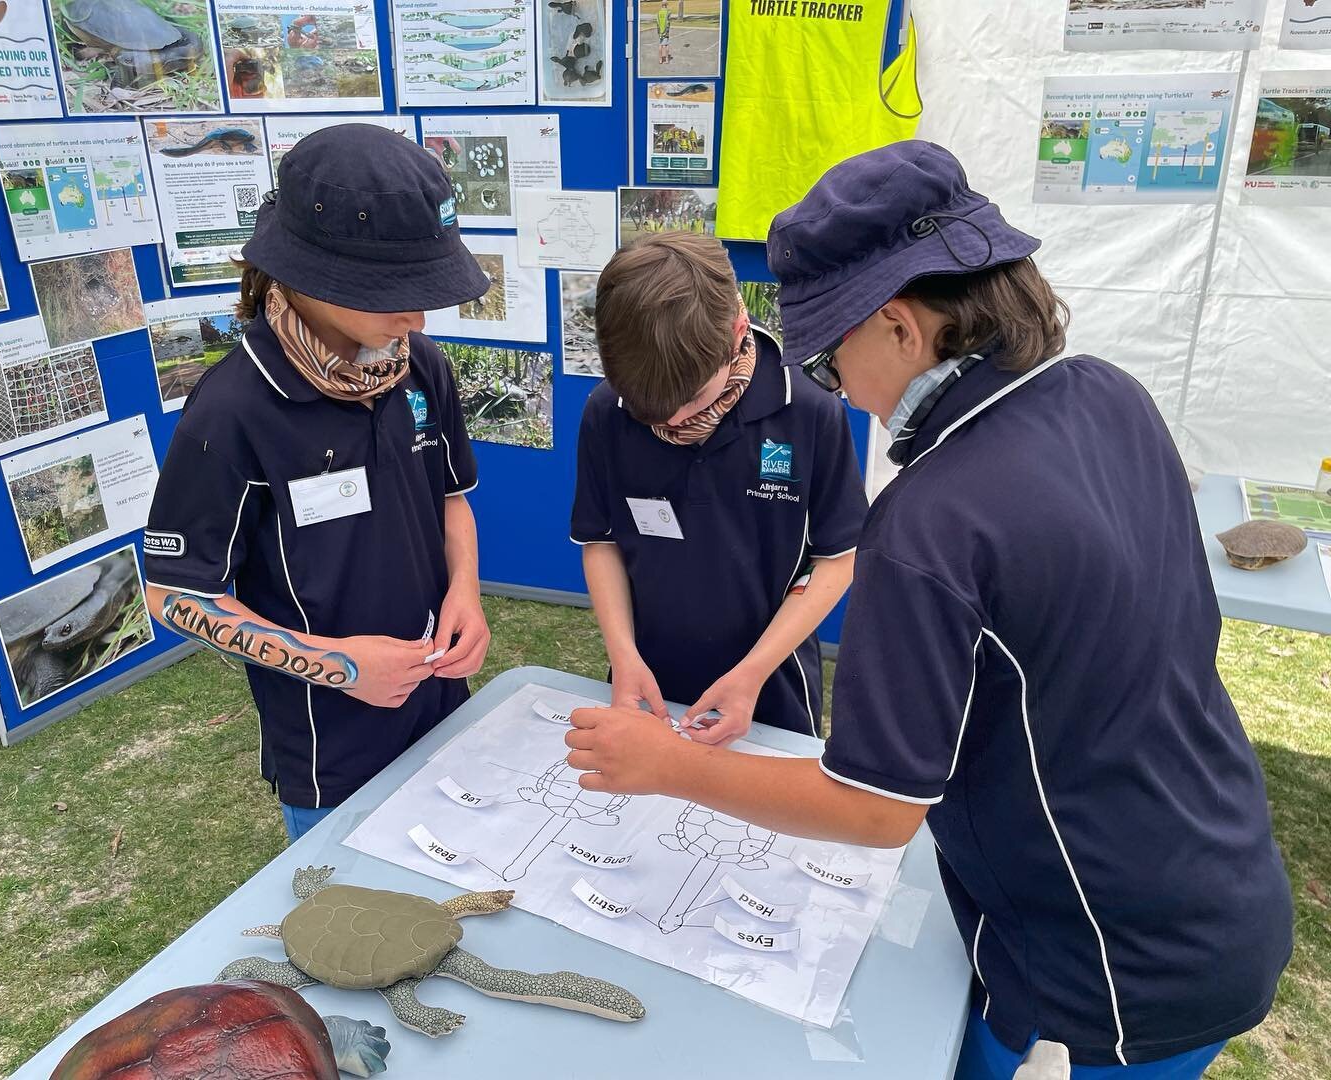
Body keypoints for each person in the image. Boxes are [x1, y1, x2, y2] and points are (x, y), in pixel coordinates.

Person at [563, 142, 1292, 1078]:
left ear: (903, 331)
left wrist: (666, 766)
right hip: (1215, 870)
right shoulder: (1107, 392)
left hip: (1107, 958)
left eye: (830, 363)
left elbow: (874, 812)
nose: (838, 390)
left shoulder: (933, 518)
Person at [142, 125, 493, 842]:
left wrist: (466, 593)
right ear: (312, 276)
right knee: (352, 932)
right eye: (397, 292)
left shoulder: (420, 365)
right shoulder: (236, 406)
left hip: (443, 708)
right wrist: (338, 666)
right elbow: (175, 593)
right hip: (329, 751)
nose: (418, 317)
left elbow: (450, 498)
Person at [571, 233, 864, 744]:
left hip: (770, 687)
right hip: (648, 681)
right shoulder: (606, 411)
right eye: (648, 410)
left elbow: (837, 559)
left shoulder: (810, 409)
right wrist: (623, 655)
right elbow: (602, 540)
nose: (672, 419)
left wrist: (751, 675)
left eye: (692, 399)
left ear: (737, 332)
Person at [656, 0, 672, 64]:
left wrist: (659, 31)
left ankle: (660, 59)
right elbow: (668, 22)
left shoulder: (659, 12)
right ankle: (667, 59)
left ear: (661, 5)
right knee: (666, 45)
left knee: (660, 45)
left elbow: (657, 22)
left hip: (660, 31)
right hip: (666, 31)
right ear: (666, 5)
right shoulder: (668, 12)